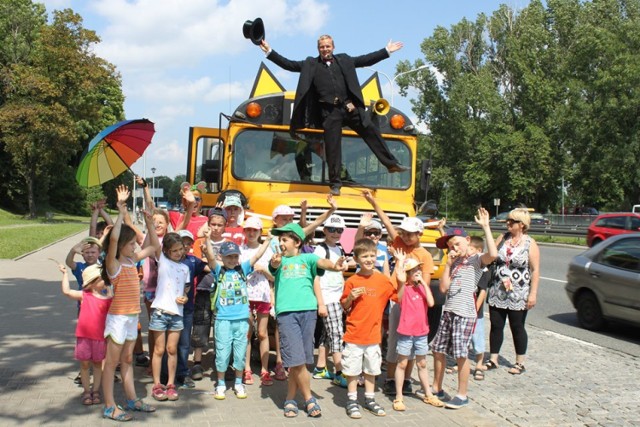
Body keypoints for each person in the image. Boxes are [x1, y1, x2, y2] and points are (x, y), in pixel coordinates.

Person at [259, 35, 409, 195]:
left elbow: (366, 60)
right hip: (329, 112)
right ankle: (336, 184)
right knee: (332, 147)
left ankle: (391, 164)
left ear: (333, 47)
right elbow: (288, 64)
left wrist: (386, 51)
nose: (325, 49)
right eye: (322, 47)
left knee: (370, 129)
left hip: (349, 108)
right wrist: (269, 51)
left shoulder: (344, 60)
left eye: (328, 46)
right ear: (318, 49)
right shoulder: (311, 64)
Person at [268, 222, 347, 418]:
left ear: (297, 242)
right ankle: (309, 398)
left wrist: (335, 266)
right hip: (287, 314)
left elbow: (323, 264)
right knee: (296, 360)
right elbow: (273, 266)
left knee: (300, 361)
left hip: (308, 313)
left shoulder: (308, 258)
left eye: (285, 239)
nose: (281, 243)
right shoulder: (279, 261)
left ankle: (290, 398)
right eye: (280, 240)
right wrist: (275, 262)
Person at [363, 189, 432, 396]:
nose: (405, 237)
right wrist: (374, 203)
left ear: (419, 234)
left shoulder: (425, 255)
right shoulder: (400, 243)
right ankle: (392, 378)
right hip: (396, 299)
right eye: (404, 233)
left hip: (414, 304)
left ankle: (407, 379)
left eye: (410, 234)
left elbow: (424, 283)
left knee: (412, 345)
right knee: (394, 341)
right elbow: (387, 224)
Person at [101, 185, 160, 421]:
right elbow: (114, 238)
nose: (135, 246)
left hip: (132, 317)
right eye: (131, 244)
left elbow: (154, 246)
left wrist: (149, 223)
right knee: (112, 362)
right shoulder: (113, 264)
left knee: (127, 360)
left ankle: (132, 399)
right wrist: (120, 209)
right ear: (121, 246)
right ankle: (109, 405)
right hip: (117, 319)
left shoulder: (132, 260)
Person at [430, 208, 497, 410]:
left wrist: (485, 227)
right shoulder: (454, 262)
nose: (453, 247)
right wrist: (448, 264)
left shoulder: (475, 260)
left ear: (468, 241)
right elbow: (443, 288)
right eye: (450, 246)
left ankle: (462, 394)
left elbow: (493, 254)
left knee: (460, 355)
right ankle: (436, 388)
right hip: (449, 311)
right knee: (438, 350)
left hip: (465, 313)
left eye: (457, 243)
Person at [203, 233, 271, 400]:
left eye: (235, 256)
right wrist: (207, 239)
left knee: (240, 354)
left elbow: (257, 255)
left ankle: (239, 383)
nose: (232, 260)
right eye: (229, 257)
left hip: (242, 320)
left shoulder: (243, 269)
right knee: (222, 353)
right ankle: (220, 384)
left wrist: (267, 241)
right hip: (223, 320)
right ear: (222, 257)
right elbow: (210, 258)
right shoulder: (219, 271)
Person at [340, 238, 397, 419]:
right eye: (365, 256)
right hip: (354, 334)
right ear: (356, 259)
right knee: (352, 370)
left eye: (372, 255)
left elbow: (398, 296)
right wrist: (351, 298)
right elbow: (344, 305)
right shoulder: (352, 281)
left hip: (373, 336)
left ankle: (370, 399)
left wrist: (402, 278)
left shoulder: (382, 280)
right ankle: (351, 399)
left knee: (372, 369)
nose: (369, 259)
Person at [485, 208, 540, 375]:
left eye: (512, 221)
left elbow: (535, 270)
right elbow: (491, 256)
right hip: (498, 289)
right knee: (496, 325)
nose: (508, 223)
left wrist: (533, 294)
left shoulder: (530, 243)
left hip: (519, 292)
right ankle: (493, 358)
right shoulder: (503, 238)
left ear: (522, 225)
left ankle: (519, 362)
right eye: (507, 221)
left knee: (517, 326)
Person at [391, 251, 443, 411]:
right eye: (414, 271)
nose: (418, 273)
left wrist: (424, 284)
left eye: (419, 270)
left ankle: (428, 394)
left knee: (422, 363)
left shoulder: (422, 288)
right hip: (406, 333)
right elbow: (399, 296)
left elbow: (432, 302)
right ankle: (398, 397)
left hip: (421, 333)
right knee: (402, 363)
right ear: (407, 274)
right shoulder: (404, 289)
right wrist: (400, 264)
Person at [56, 263, 112, 406]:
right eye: (102, 279)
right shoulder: (84, 295)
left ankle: (96, 390)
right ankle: (87, 391)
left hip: (99, 338)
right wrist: (65, 274)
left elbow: (113, 299)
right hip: (84, 337)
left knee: (98, 365)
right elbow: (67, 291)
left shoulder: (107, 299)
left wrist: (108, 288)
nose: (104, 281)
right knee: (85, 365)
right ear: (92, 282)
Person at [311, 214, 353, 387]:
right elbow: (316, 278)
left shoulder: (339, 248)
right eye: (332, 229)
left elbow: (340, 274)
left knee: (327, 334)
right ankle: (339, 371)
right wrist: (321, 302)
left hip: (337, 297)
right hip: (328, 298)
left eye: (339, 230)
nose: (336, 233)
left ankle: (320, 368)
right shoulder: (320, 250)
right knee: (337, 334)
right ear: (325, 230)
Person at [148, 232, 190, 402]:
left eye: (180, 249)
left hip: (176, 314)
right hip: (160, 312)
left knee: (172, 349)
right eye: (174, 251)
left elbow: (185, 291)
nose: (179, 253)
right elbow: (153, 239)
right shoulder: (163, 261)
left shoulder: (185, 268)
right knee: (159, 349)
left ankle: (171, 384)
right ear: (166, 251)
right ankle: (157, 384)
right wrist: (150, 220)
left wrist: (185, 298)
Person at [191, 208, 228, 378]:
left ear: (225, 226)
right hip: (203, 289)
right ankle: (197, 363)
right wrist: (218, 264)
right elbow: (198, 263)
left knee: (221, 328)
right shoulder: (200, 242)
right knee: (200, 324)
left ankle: (222, 363)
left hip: (223, 292)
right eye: (213, 224)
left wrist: (212, 262)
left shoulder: (228, 244)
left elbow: (231, 265)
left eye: (220, 225)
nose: (216, 228)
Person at [240, 216, 276, 386]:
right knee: (247, 334)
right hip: (245, 296)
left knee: (262, 333)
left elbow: (274, 277)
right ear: (244, 231)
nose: (251, 233)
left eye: (255, 230)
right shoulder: (240, 250)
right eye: (248, 230)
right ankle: (246, 369)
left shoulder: (267, 250)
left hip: (262, 296)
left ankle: (264, 369)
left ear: (260, 232)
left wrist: (263, 269)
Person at [469, 236, 490, 381]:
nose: (468, 252)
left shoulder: (484, 270)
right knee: (465, 338)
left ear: (479, 251)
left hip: (476, 310)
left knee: (478, 337)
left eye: (471, 250)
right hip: (463, 308)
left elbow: (483, 291)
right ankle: (461, 362)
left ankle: (479, 364)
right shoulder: (467, 265)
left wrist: (475, 309)